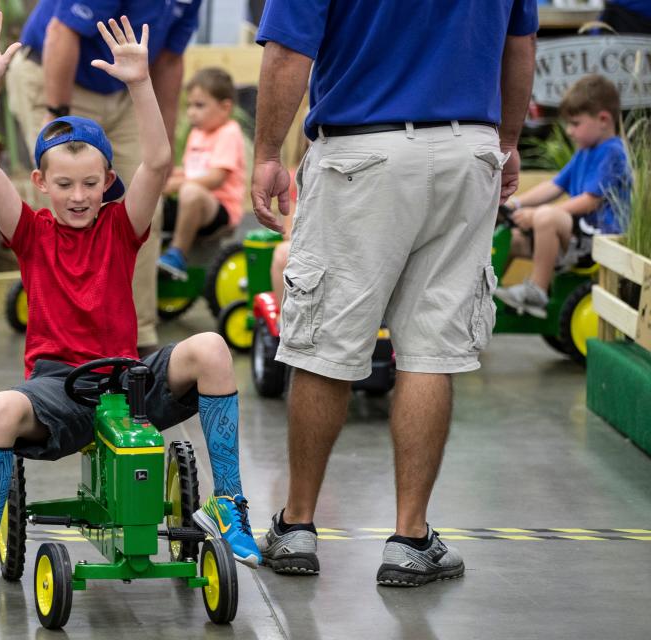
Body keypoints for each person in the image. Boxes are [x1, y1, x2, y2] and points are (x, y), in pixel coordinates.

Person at [0, 10, 260, 612]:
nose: (78, 197)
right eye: (64, 185)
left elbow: (159, 164)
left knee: (212, 346)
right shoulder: (29, 232)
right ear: (41, 182)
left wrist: (140, 83)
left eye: (90, 183)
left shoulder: (121, 225)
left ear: (108, 179)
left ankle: (230, 502)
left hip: (129, 383)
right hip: (61, 389)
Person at [250, 1, 538, 585]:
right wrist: (506, 140)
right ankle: (410, 538)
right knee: (431, 353)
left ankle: (298, 526)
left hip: (362, 151)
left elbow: (287, 52)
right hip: (467, 152)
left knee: (326, 349)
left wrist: (265, 154)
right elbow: (519, 45)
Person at [8, 0, 204, 354]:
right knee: (66, 207)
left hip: (123, 87)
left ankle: (137, 337)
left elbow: (169, 61)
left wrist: (166, 154)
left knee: (147, 208)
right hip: (58, 75)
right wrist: (56, 121)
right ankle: (61, 342)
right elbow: (61, 31)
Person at [496, 75, 630, 318]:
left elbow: (591, 200)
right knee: (512, 240)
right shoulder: (584, 153)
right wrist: (515, 203)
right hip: (577, 238)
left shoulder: (612, 152)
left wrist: (537, 214)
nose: (569, 131)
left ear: (603, 119)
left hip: (599, 243)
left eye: (575, 123)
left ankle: (537, 291)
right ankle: (488, 296)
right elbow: (553, 186)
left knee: (547, 217)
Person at [158, 67, 246, 280]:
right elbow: (190, 171)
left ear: (225, 108)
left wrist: (177, 184)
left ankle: (177, 254)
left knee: (190, 191)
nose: (191, 112)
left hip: (220, 208)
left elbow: (216, 177)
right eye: (189, 106)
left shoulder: (228, 133)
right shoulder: (197, 134)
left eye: (199, 105)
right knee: (158, 189)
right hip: (194, 202)